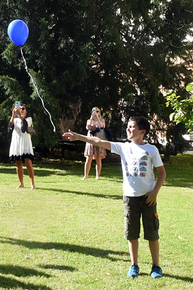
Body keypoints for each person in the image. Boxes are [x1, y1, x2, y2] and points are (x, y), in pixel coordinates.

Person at [64, 115, 165, 279]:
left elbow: (162, 173)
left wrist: (154, 192)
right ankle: (134, 265)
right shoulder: (123, 147)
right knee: (132, 234)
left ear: (142, 131)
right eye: (128, 126)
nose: (128, 129)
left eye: (132, 127)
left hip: (148, 199)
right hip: (130, 198)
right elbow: (98, 142)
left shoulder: (151, 149)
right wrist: (79, 137)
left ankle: (156, 267)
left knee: (152, 233)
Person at [8, 104, 35, 189]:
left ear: (26, 111)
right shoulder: (15, 120)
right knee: (18, 163)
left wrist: (20, 116)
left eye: (23, 109)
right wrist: (13, 115)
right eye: (20, 109)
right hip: (17, 143)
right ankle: (21, 183)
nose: (21, 110)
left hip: (26, 143)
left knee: (27, 161)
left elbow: (24, 129)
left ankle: (32, 183)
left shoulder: (28, 119)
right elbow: (9, 127)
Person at [83, 107, 110, 180]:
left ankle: (97, 176)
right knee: (89, 158)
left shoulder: (102, 120)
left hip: (98, 140)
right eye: (94, 111)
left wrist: (98, 118)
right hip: (90, 140)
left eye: (97, 111)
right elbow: (88, 127)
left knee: (98, 158)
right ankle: (86, 176)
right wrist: (92, 118)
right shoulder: (89, 120)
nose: (96, 112)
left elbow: (102, 127)